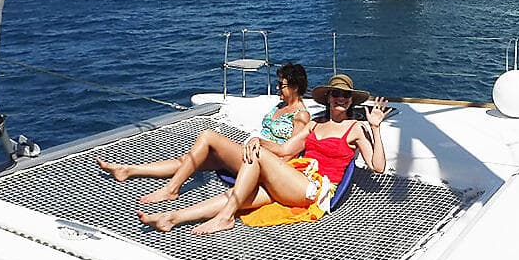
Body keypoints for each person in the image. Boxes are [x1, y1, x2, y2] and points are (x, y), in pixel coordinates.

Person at [137, 73, 390, 235]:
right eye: (336, 94)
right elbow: (284, 149)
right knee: (237, 194)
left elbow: (377, 167)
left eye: (346, 96)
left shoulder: (355, 128)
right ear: (329, 98)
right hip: (294, 178)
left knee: (254, 162)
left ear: (351, 101)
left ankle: (224, 218)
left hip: (314, 188)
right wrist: (258, 140)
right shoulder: (315, 123)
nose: (341, 99)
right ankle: (172, 218)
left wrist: (376, 128)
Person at [96, 63, 310, 204]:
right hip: (250, 152)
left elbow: (288, 154)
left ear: (295, 86)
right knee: (190, 160)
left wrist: (260, 144)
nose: (277, 88)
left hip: (262, 161)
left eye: (281, 85)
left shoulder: (301, 116)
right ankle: (128, 170)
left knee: (208, 136)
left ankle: (172, 189)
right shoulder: (279, 106)